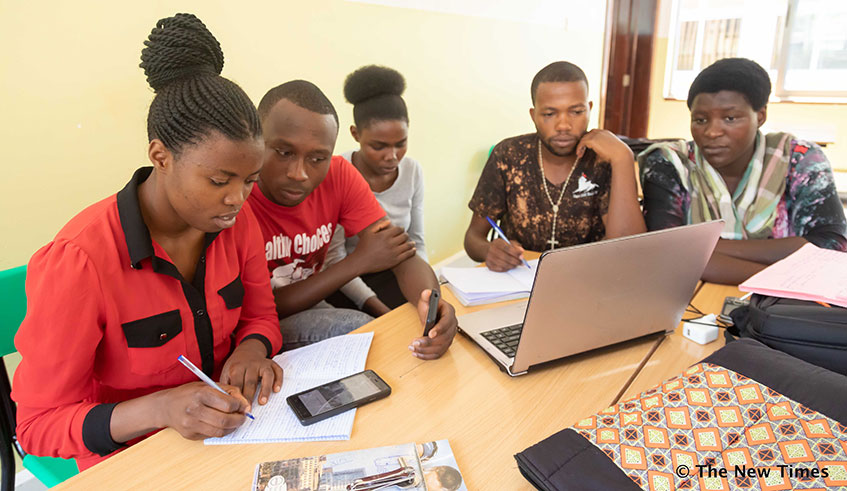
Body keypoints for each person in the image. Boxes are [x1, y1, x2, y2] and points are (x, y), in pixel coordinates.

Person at [11, 14, 283, 470]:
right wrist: (161, 409)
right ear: (160, 155)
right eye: (219, 181)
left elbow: (260, 314)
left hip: (234, 434)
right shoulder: (79, 261)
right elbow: (37, 426)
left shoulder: (236, 220)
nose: (237, 199)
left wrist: (252, 348)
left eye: (250, 180)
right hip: (133, 460)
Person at [248, 80, 458, 358]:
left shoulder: (340, 174)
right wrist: (359, 261)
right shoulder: (238, 195)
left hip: (311, 303)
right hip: (254, 329)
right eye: (284, 153)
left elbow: (399, 252)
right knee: (364, 333)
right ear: (256, 139)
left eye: (317, 158)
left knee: (401, 331)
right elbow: (260, 309)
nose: (299, 173)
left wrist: (432, 302)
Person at [639, 58, 847, 284]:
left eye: (730, 118)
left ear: (760, 116)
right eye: (700, 120)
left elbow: (831, 246)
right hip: (698, 297)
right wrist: (784, 275)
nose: (712, 132)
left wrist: (700, 249)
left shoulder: (798, 160)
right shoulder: (671, 163)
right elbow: (664, 252)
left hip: (782, 301)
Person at [464, 61, 645, 271]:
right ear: (533, 115)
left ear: (589, 109)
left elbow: (630, 253)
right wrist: (489, 251)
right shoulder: (509, 156)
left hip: (588, 278)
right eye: (549, 114)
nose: (563, 126)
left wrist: (623, 158)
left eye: (576, 112)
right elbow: (473, 238)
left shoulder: (604, 160)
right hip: (520, 281)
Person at [324, 65, 427, 317]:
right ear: (355, 134)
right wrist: (378, 310)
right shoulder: (336, 173)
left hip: (396, 272)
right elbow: (334, 259)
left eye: (401, 144)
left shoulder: (412, 170)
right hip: (347, 281)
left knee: (425, 318)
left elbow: (416, 241)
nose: (392, 156)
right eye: (379, 146)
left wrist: (426, 293)